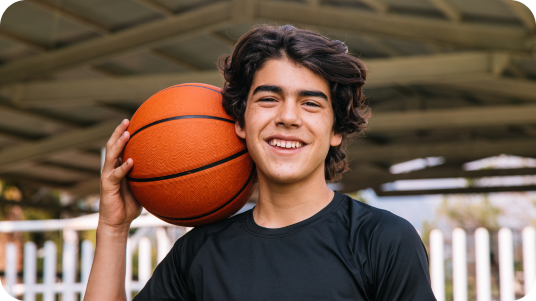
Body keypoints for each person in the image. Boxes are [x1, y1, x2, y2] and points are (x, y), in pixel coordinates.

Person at [84, 25, 436, 301]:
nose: (288, 117)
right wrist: (113, 229)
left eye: (311, 104)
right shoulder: (199, 253)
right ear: (240, 120)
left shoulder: (382, 240)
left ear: (336, 130)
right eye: (269, 98)